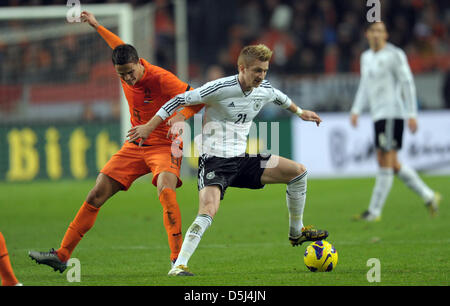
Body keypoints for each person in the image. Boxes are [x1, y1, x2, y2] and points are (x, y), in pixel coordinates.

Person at [127, 44, 329, 276]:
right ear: (241, 68)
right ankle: (179, 265)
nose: (261, 76)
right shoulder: (220, 88)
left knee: (298, 172)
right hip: (215, 162)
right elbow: (176, 101)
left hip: (242, 160)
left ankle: (296, 232)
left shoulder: (264, 88)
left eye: (264, 70)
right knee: (208, 210)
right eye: (256, 71)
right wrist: (149, 127)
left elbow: (280, 97)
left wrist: (300, 112)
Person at [28, 11, 203, 272]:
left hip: (165, 144)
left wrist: (180, 116)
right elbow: (116, 45)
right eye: (122, 75)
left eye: (131, 73)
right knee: (97, 192)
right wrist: (97, 25)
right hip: (135, 145)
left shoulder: (161, 78)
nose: (128, 79)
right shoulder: (125, 64)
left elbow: (197, 99)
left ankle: (177, 260)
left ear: (139, 63)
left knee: (165, 189)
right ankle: (63, 255)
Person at [350, 21, 441, 222]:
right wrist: (356, 109)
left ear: (386, 34)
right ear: (367, 34)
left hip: (392, 114)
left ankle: (374, 212)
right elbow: (365, 85)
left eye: (380, 31)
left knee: (385, 160)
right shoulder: (366, 57)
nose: (376, 34)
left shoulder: (395, 54)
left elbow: (407, 82)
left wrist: (412, 113)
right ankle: (429, 196)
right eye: (373, 31)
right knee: (392, 163)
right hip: (378, 115)